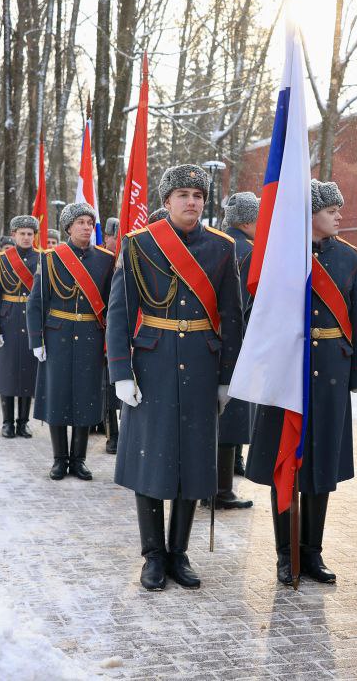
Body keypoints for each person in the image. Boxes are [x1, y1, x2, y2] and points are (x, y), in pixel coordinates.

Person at [107, 164, 244, 592]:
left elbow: (232, 317)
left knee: (193, 461)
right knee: (149, 459)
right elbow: (119, 311)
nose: (191, 202)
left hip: (202, 367)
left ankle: (178, 552)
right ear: (166, 202)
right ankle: (152, 555)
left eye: (198, 195)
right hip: (153, 364)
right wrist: (120, 372)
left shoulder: (222, 247)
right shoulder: (139, 244)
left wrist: (227, 376)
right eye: (182, 194)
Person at [245, 181, 357, 585]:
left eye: (340, 207)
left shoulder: (351, 258)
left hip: (332, 371)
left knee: (321, 467)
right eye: (330, 208)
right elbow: (257, 315)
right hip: (287, 370)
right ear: (308, 214)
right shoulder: (280, 256)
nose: (339, 214)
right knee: (285, 462)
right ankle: (285, 554)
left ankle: (312, 553)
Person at [27, 203, 115, 480]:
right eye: (81, 222)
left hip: (91, 335)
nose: (87, 227)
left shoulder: (105, 259)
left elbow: (113, 305)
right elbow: (36, 303)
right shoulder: (50, 259)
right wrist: (36, 339)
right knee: (58, 397)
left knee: (86, 398)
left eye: (90, 222)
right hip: (58, 336)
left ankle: (79, 460)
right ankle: (59, 459)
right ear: (68, 227)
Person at [211, 191, 260, 505]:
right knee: (229, 421)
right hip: (238, 344)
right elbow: (243, 305)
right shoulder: (247, 251)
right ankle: (221, 490)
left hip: (210, 340)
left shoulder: (216, 243)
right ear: (246, 219)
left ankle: (210, 486)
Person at [0, 216, 41, 438]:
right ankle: (7, 422)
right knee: (6, 374)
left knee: (28, 374)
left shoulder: (42, 259)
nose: (26, 237)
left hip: (31, 322)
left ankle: (23, 422)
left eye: (30, 234)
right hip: (7, 321)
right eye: (22, 234)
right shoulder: (0, 260)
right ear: (14, 235)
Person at [101, 216, 121, 453]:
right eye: (115, 236)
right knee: (107, 388)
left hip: (124, 328)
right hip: (103, 326)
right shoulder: (102, 259)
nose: (117, 240)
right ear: (107, 237)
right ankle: (111, 434)